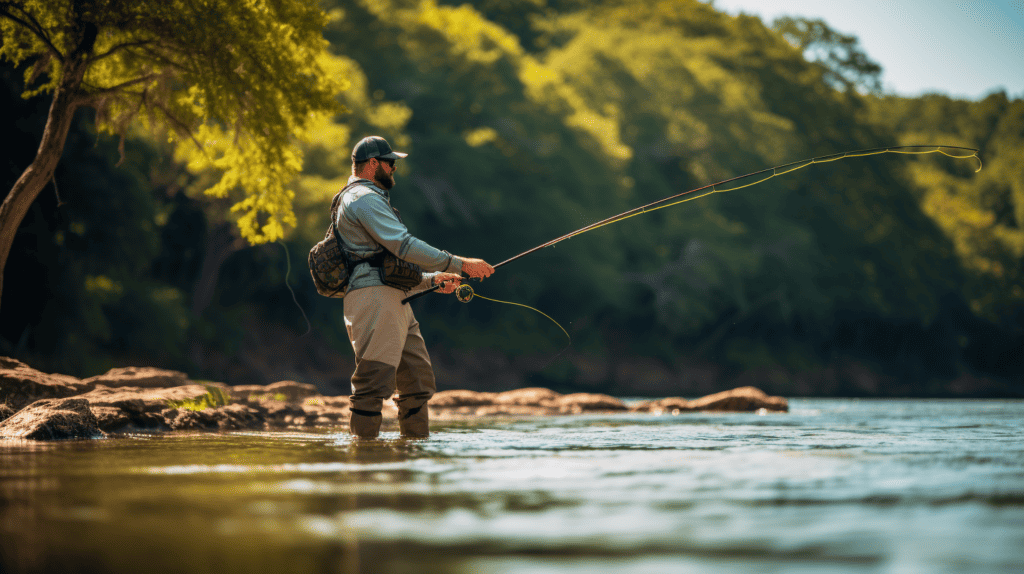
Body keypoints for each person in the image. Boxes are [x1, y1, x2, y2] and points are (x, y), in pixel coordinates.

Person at [337, 135, 494, 439]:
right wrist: (459, 264)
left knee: (417, 383)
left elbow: (385, 262)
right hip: (375, 300)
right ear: (372, 164)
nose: (393, 168)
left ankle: (412, 457)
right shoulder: (362, 198)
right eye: (390, 162)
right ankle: (363, 463)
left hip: (395, 298)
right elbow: (403, 245)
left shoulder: (370, 199)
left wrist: (432, 280)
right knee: (374, 382)